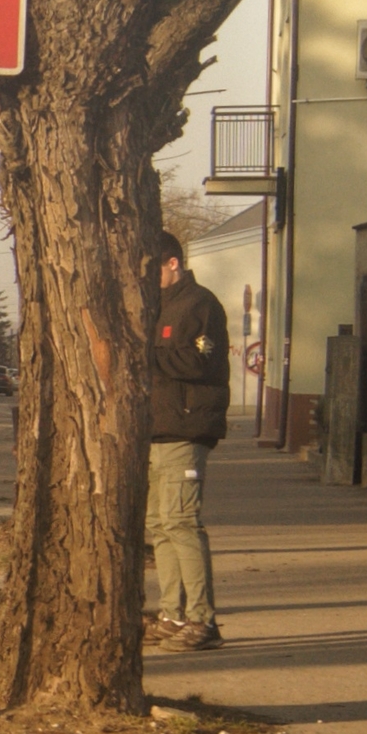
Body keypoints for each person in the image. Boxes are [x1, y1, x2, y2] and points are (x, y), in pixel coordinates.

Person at [147, 231, 230, 652]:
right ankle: (172, 613)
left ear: (173, 263)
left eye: (154, 268)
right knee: (158, 525)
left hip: (186, 426)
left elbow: (201, 361)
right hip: (157, 429)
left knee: (181, 523)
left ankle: (202, 619)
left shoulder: (200, 304)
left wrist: (145, 352)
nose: (148, 276)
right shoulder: (158, 304)